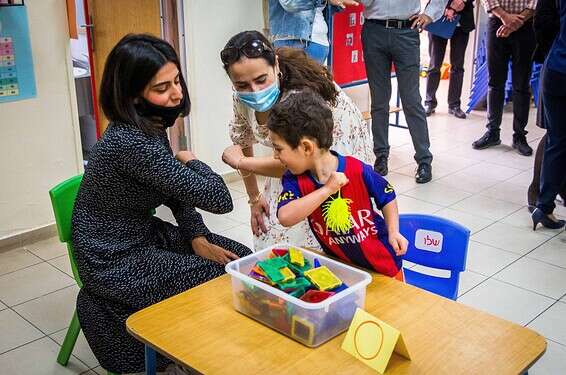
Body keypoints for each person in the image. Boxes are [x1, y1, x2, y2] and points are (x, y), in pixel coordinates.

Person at [71, 34, 252, 374]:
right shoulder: (130, 143)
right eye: (162, 87)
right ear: (133, 94)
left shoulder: (150, 125)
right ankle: (195, 352)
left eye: (177, 80)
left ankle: (194, 337)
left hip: (139, 234)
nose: (176, 93)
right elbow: (220, 198)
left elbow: (173, 192)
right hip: (111, 256)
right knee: (220, 277)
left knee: (240, 259)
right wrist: (193, 161)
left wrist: (197, 236)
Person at [221, 30, 374, 251]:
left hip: (332, 156)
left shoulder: (299, 98)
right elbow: (243, 138)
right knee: (274, 235)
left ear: (275, 63)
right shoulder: (242, 97)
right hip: (290, 157)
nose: (254, 91)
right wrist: (254, 198)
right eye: (242, 85)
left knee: (326, 233)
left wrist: (241, 163)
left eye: (261, 80)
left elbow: (300, 163)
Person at [271, 89, 408, 279]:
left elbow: (387, 195)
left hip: (384, 267)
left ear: (306, 147)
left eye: (278, 149)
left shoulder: (357, 170)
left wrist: (393, 232)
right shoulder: (294, 180)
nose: (275, 156)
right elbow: (285, 217)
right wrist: (328, 189)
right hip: (342, 269)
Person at [359, 0, 446, 183]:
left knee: (411, 100)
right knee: (379, 100)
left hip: (406, 31)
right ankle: (381, 155)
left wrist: (429, 15)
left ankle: (424, 159)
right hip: (374, 30)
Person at [472, 0, 537, 156]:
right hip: (497, 21)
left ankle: (519, 136)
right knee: (495, 82)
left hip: (526, 24)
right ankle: (493, 132)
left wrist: (517, 21)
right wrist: (505, 17)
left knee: (521, 84)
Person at [527, 0, 566, 210]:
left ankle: (543, 203)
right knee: (555, 136)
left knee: (555, 137)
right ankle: (539, 195)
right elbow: (542, 22)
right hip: (555, 65)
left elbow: (542, 20)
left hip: (555, 66)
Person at [425, 0, 475, 119]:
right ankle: (429, 102)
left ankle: (454, 105)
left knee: (458, 66)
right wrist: (449, 7)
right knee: (434, 65)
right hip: (438, 17)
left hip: (462, 22)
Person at [269, 0, 359, 64]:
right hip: (294, 39)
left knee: (316, 88)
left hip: (321, 41)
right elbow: (290, 3)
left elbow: (321, 8)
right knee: (295, 87)